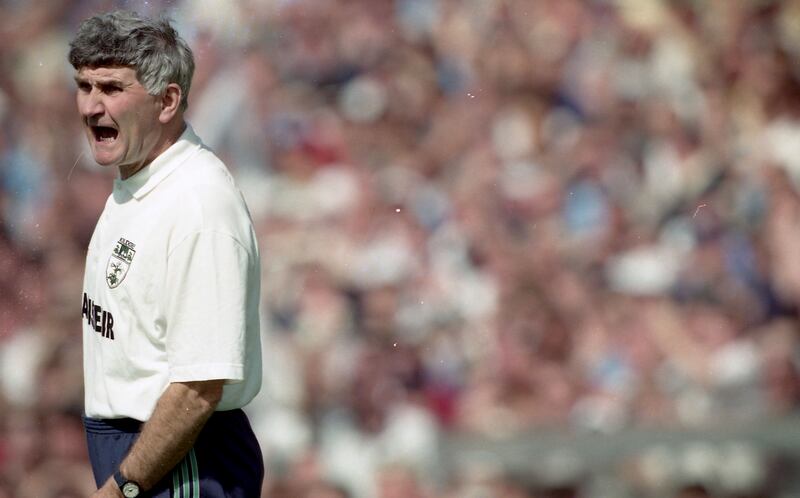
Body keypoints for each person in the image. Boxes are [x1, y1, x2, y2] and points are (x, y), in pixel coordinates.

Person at [68, 10, 263, 498]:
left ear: (167, 101)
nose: (91, 106)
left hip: (184, 462)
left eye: (111, 88)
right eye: (85, 86)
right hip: (146, 452)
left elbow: (199, 388)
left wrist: (122, 488)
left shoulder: (198, 205)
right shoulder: (139, 182)